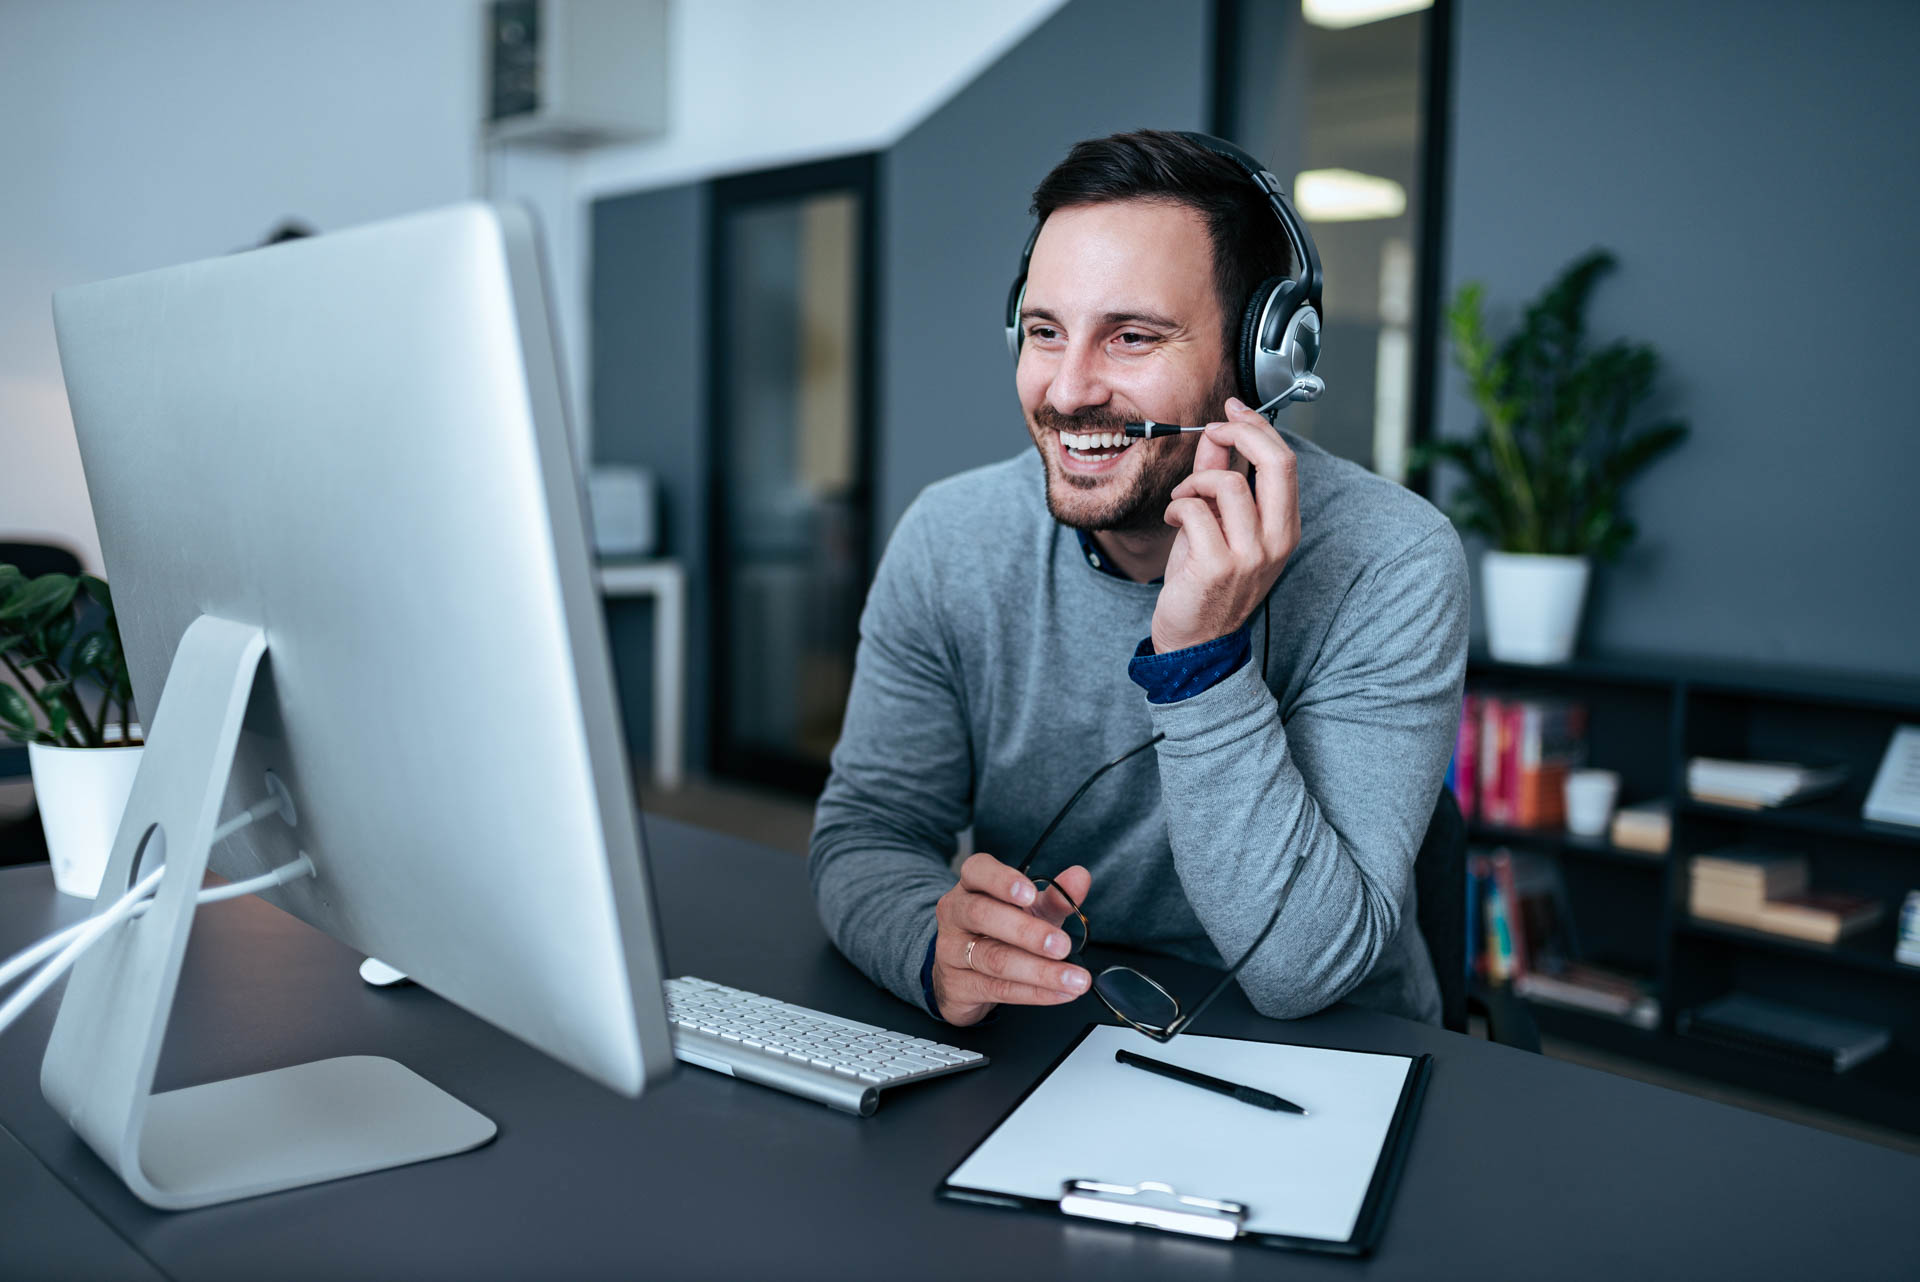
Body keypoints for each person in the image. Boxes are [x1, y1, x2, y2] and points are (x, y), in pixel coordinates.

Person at [808, 130, 1467, 1028]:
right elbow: (868, 832)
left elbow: (1303, 972)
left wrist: (1199, 662)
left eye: (1131, 336)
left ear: (1261, 360)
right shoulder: (949, 538)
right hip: (1062, 1020)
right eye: (1045, 332)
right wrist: (932, 947)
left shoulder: (1391, 561)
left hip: (1336, 1057)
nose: (1069, 390)